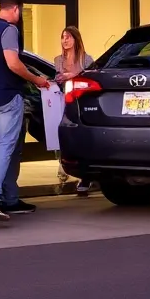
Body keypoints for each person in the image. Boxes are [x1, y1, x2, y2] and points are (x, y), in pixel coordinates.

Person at [0, 0, 50, 218]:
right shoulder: (9, 31)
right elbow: (13, 63)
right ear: (16, 9)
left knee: (4, 147)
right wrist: (37, 80)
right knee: (7, 146)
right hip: (8, 97)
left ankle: (10, 198)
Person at [53, 26, 96, 195]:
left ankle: (85, 176)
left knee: (82, 137)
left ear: (76, 39)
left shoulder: (86, 59)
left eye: (68, 37)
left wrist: (72, 75)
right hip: (63, 100)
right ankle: (63, 167)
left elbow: (90, 76)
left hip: (82, 101)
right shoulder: (58, 60)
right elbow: (55, 79)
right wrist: (59, 78)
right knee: (64, 134)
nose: (65, 40)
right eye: (63, 37)